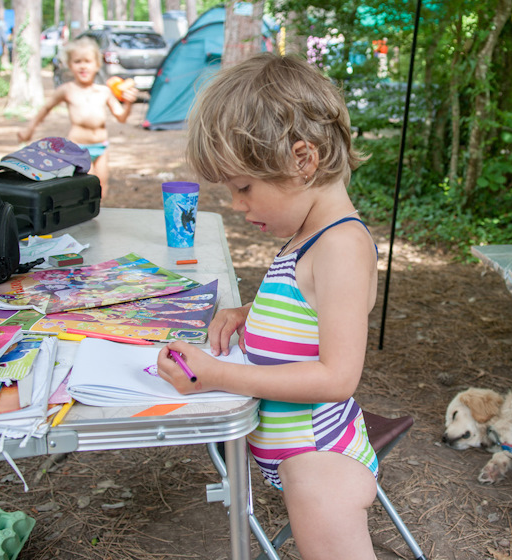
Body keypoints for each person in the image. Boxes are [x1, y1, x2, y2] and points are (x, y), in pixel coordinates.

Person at [155, 53, 379, 560]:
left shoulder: (341, 246)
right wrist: (249, 312)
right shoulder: (309, 234)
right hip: (290, 453)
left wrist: (218, 375)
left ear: (304, 160)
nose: (238, 205)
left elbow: (336, 377)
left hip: (320, 463)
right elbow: (305, 309)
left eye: (243, 187)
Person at [18, 37, 137, 198]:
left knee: (102, 184)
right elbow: (45, 109)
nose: (83, 66)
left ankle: (98, 216)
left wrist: (128, 104)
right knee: (87, 186)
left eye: (87, 61)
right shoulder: (67, 90)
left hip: (101, 147)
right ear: (69, 65)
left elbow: (121, 118)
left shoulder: (104, 92)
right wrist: (29, 129)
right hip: (78, 148)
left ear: (97, 65)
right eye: (77, 61)